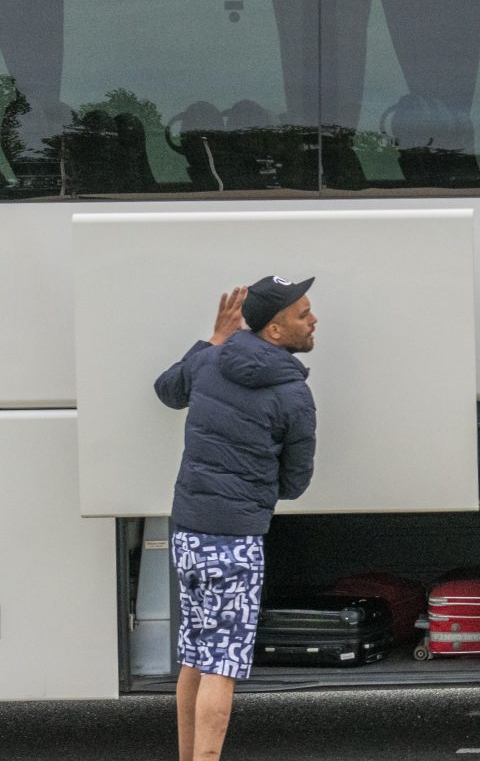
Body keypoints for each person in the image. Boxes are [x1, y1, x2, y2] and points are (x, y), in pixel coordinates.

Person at [154, 276, 319, 761]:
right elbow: (294, 483)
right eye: (302, 314)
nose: (313, 320)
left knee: (194, 656)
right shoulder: (293, 395)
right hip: (236, 540)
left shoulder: (208, 361)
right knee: (221, 666)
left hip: (186, 529)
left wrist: (214, 338)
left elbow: (167, 390)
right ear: (274, 330)